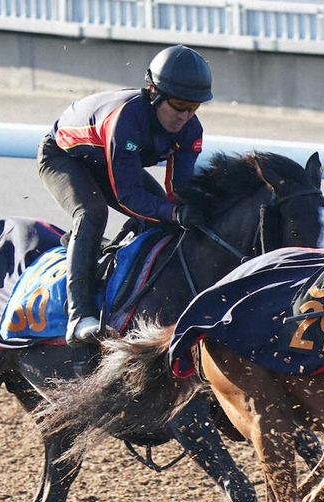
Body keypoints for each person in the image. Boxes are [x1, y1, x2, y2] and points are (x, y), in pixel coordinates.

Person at [38, 44, 212, 346]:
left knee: (167, 220)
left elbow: (180, 193)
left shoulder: (190, 130)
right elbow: (128, 198)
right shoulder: (127, 119)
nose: (185, 115)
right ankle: (79, 314)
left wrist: (193, 210)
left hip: (107, 160)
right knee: (92, 213)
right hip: (64, 157)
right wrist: (172, 212)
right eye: (180, 103)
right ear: (153, 91)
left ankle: (112, 267)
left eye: (194, 106)